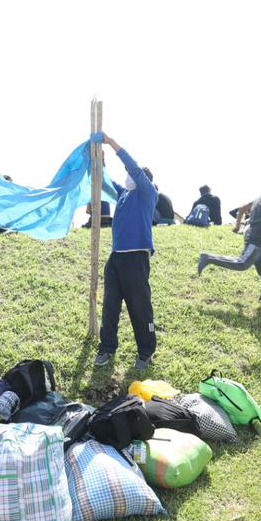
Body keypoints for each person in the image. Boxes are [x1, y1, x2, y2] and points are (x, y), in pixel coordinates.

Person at [93, 133, 158, 371]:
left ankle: (146, 352)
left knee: (140, 308)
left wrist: (111, 143)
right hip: (116, 259)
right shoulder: (123, 195)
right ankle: (106, 349)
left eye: (132, 174)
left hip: (136, 259)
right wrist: (99, 161)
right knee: (110, 306)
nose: (128, 176)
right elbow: (105, 181)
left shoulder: (147, 193)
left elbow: (133, 167)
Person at [197, 173, 261, 305]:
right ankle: (208, 258)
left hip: (259, 241)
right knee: (242, 263)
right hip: (255, 238)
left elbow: (243, 208)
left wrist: (238, 225)